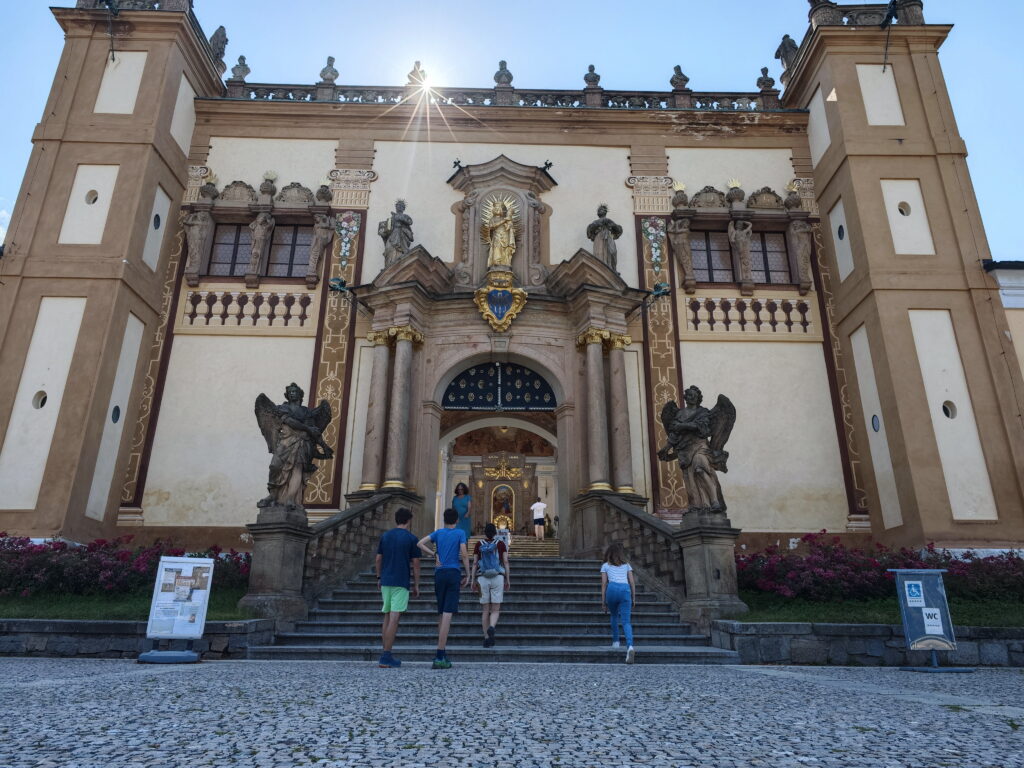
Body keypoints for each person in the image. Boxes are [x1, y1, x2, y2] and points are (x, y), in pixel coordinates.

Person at [418, 508, 470, 669]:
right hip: (453, 573)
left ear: (444, 519)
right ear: (456, 520)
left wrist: (434, 555)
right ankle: (439, 654)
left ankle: (442, 652)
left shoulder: (438, 533)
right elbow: (464, 553)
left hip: (439, 573)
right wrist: (468, 574)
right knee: (448, 614)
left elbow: (419, 543)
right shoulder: (460, 533)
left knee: (441, 613)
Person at [374, 507, 421, 668]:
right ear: (409, 520)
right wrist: (416, 584)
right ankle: (386, 655)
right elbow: (416, 564)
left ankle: (385, 652)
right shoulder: (411, 538)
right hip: (401, 581)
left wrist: (379, 577)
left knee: (386, 616)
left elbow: (378, 559)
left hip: (386, 579)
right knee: (394, 618)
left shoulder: (386, 536)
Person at [470, 522, 510, 648]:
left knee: (485, 610)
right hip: (497, 577)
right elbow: (505, 561)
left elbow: (475, 563)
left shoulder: (478, 544)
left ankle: (486, 638)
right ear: (495, 533)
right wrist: (507, 579)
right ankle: (492, 627)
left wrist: (472, 580)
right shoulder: (500, 544)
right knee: (495, 609)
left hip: (482, 578)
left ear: (484, 532)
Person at [601, 542, 636, 664]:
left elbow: (604, 584)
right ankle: (630, 646)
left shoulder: (605, 566)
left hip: (611, 590)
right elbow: (632, 582)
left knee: (614, 615)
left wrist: (603, 601)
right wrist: (634, 597)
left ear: (609, 554)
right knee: (626, 621)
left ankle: (616, 642)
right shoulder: (627, 565)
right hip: (625, 590)